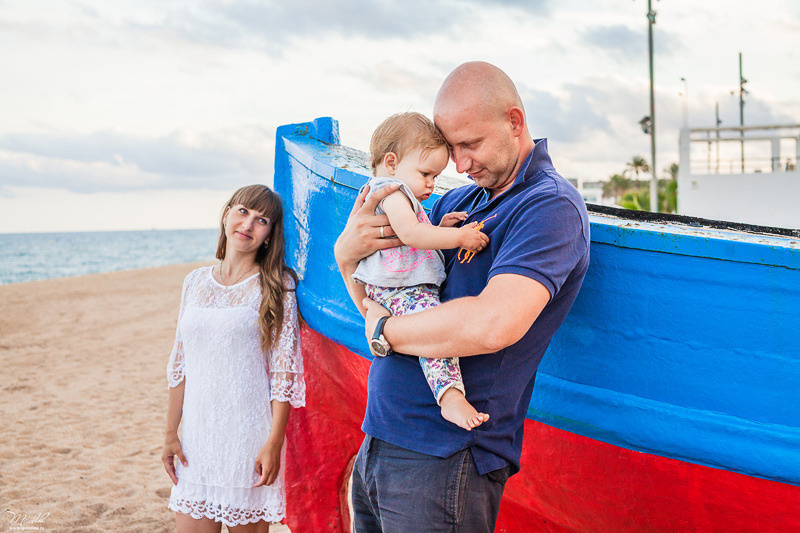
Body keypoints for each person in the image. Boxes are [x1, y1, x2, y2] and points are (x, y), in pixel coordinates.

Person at [334, 61, 590, 532]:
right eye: (451, 149)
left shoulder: (549, 206)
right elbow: (386, 292)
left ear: (514, 123)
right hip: (378, 440)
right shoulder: (457, 204)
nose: (460, 165)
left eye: (470, 144)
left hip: (446, 456)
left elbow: (492, 325)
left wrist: (383, 334)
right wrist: (344, 257)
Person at [161, 185, 305, 533]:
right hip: (196, 441)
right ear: (226, 215)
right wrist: (170, 433)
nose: (248, 224)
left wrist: (273, 442)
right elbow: (180, 366)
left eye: (262, 220)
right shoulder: (194, 282)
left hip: (248, 440)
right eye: (242, 211)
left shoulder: (277, 285)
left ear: (269, 235)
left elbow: (284, 374)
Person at [352, 111, 491, 430]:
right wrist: (458, 237)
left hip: (397, 287)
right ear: (391, 163)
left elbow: (412, 240)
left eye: (436, 177)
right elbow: (411, 234)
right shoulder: (390, 191)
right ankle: (450, 396)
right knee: (435, 330)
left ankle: (382, 331)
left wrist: (438, 227)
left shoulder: (396, 194)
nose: (431, 184)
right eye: (426, 173)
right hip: (402, 290)